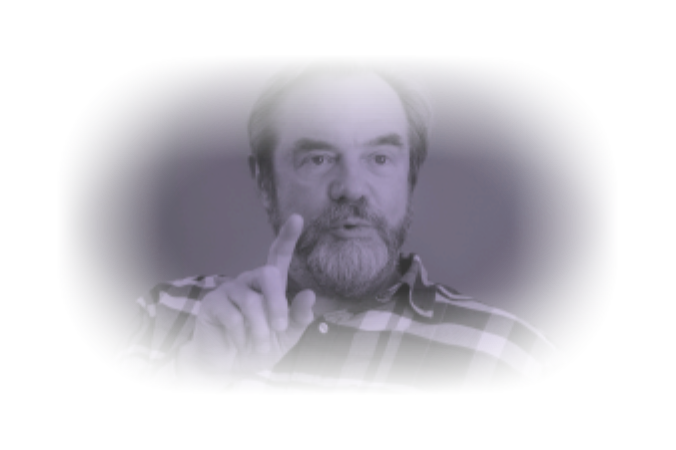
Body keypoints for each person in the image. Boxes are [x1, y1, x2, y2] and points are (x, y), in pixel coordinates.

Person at [111, 57, 568, 394]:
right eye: (318, 158)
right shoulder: (169, 317)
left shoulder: (517, 363)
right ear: (265, 182)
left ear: (409, 177)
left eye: (380, 158)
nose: (351, 187)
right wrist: (196, 379)